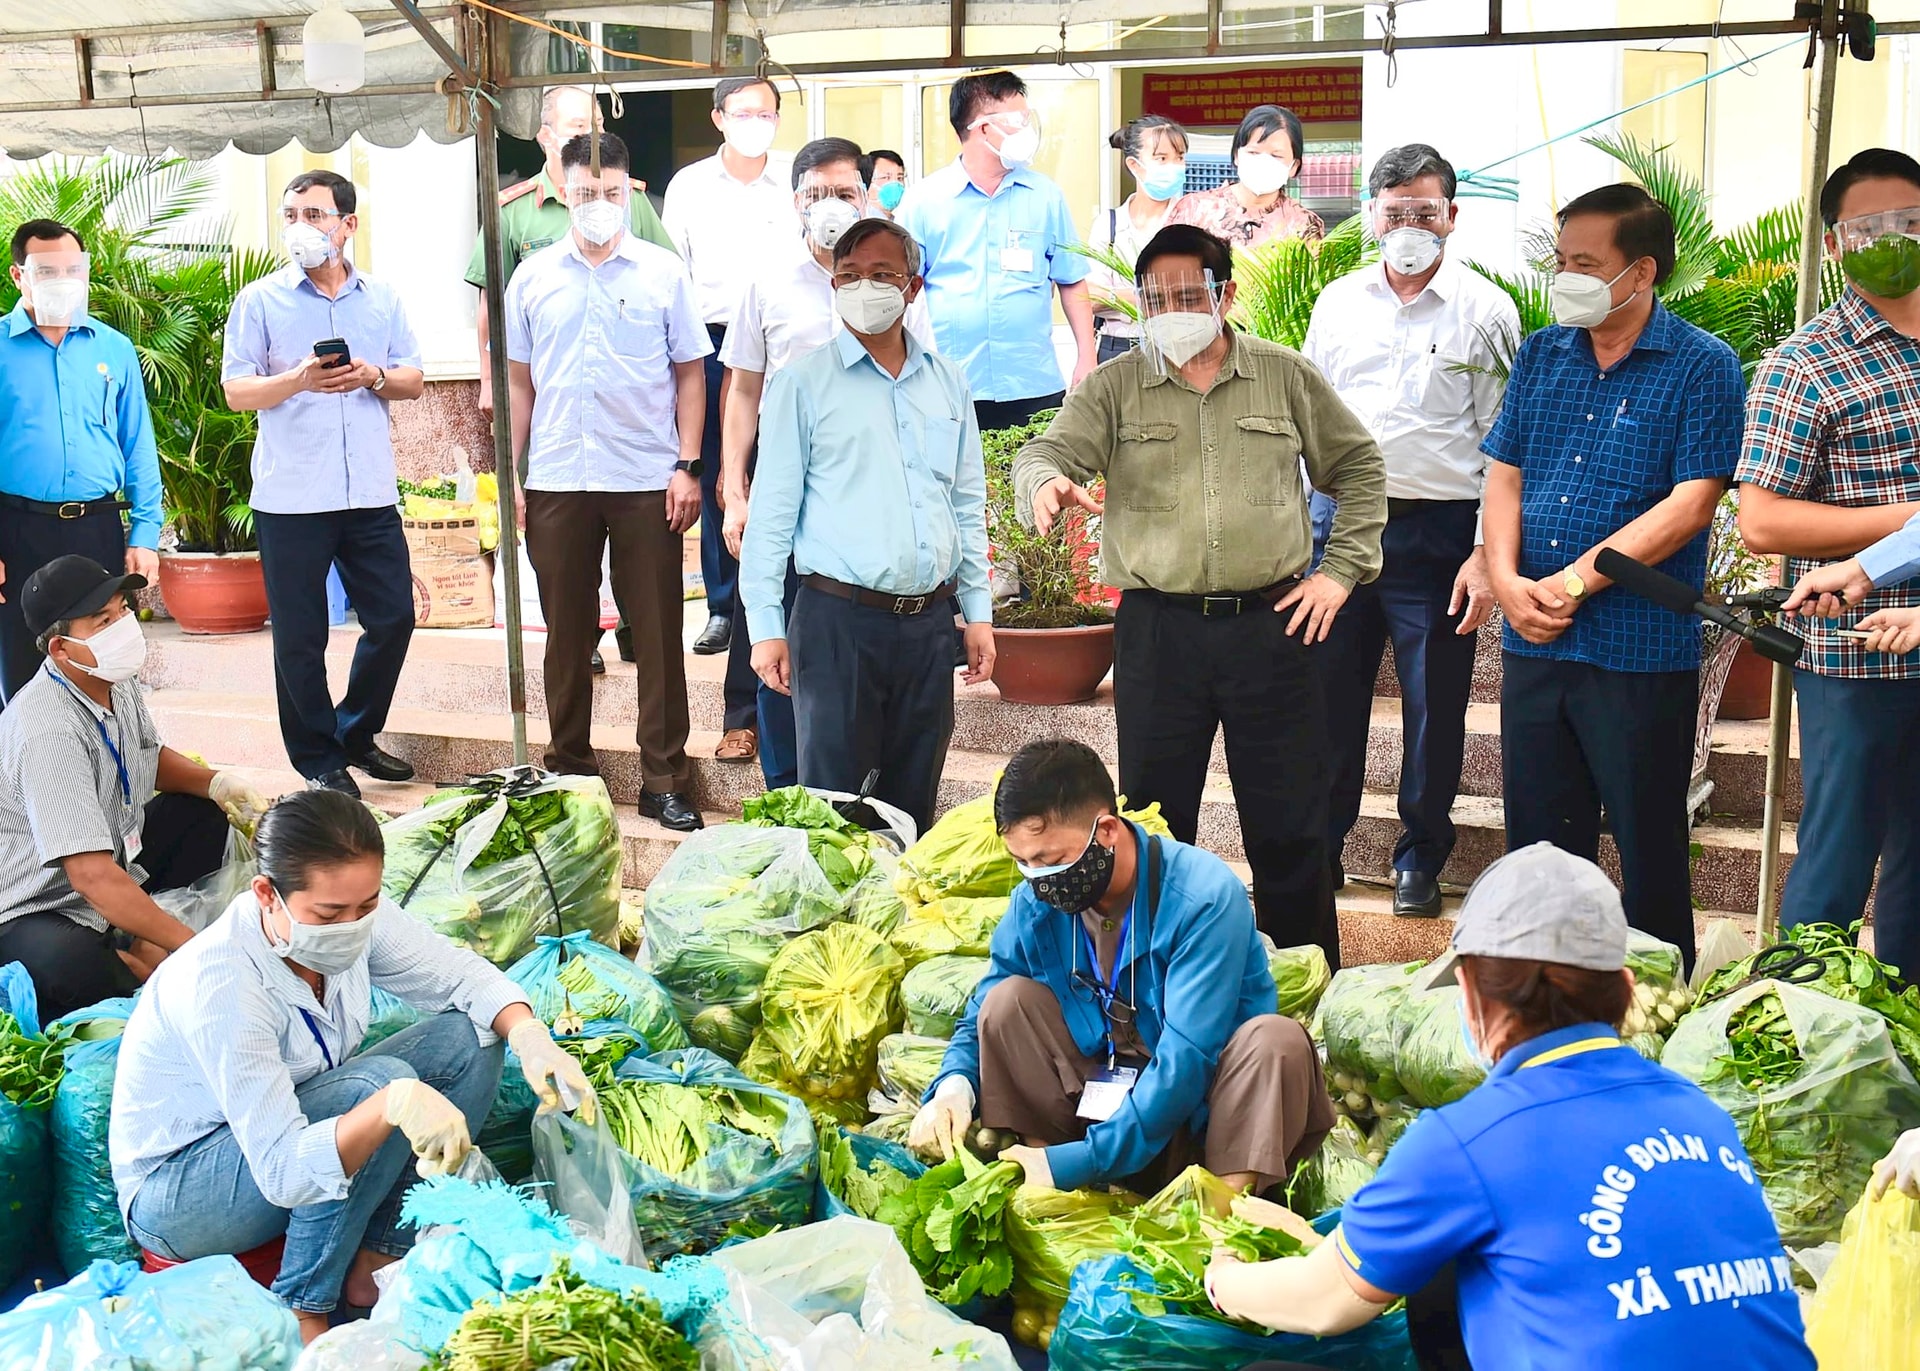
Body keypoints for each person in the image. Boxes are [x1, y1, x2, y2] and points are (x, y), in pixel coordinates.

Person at [1207, 844, 1816, 1371]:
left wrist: (1226, 1280)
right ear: (1627, 993)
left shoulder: (1470, 1139)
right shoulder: (1699, 1111)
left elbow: (1324, 1301)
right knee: (1442, 1279)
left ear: (1468, 998)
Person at [1014, 224, 1386, 964]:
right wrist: (1045, 484)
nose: (1174, 308)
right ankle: (1153, 984)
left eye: (1190, 293)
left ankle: (1300, 995)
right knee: (1154, 825)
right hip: (1160, 632)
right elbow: (1045, 452)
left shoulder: (1285, 376)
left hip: (1274, 628)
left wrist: (1339, 573)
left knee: (1290, 829)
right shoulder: (1115, 386)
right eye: (1157, 298)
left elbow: (1361, 468)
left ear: (1226, 294)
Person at [110, 789, 596, 1344]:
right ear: (268, 895)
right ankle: (303, 1306)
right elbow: (283, 1172)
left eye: (366, 906)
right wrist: (389, 1104)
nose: (352, 924)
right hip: (184, 1191)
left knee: (473, 1035)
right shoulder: (222, 983)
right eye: (330, 913)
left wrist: (530, 1035)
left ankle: (375, 1263)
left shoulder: (355, 916)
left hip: (286, 1130)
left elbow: (461, 976)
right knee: (379, 1086)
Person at [1483, 184, 1743, 964]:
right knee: (1539, 846)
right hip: (1534, 641)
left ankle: (1656, 1012)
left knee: (1647, 844)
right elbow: (1504, 474)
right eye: (1560, 261)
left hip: (1637, 648)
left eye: (1586, 264)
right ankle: (1548, 997)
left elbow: (1692, 503)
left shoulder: (1703, 364)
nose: (1566, 277)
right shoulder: (1542, 353)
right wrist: (1503, 577)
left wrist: (1569, 585)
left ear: (1643, 272)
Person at [909, 739, 1332, 1195]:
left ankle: (1221, 1214)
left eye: (1050, 861)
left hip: (1202, 1115)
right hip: (1096, 1102)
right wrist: (954, 1087)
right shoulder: (1034, 901)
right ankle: (1045, 1182)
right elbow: (980, 1011)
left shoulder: (1204, 897)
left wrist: (1085, 1161)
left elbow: (1185, 1062)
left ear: (1107, 830)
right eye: (1023, 863)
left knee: (1275, 1041)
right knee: (1006, 1002)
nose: (1038, 880)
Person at [1302, 144, 1519, 917]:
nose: (1409, 227)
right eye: (1394, 213)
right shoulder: (1337, 302)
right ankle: (1317, 849)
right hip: (1340, 530)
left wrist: (1486, 554)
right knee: (1327, 702)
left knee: (1436, 705)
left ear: (1452, 218)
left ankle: (1420, 857)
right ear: (1370, 216)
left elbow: (1502, 444)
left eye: (1424, 213)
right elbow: (1310, 418)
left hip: (1438, 535)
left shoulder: (1487, 311)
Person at [742, 217, 993, 834]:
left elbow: (965, 503)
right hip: (837, 626)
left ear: (912, 287)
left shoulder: (947, 382)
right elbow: (771, 515)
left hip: (929, 627)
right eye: (849, 275)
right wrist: (765, 629)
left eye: (882, 275)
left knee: (913, 806)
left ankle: (898, 925)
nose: (864, 288)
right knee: (834, 812)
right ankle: (835, 928)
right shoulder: (802, 383)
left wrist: (978, 613)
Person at [1737, 148, 1920, 984]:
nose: (1894, 240)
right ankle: (1791, 1028)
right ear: (1836, 244)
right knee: (1840, 854)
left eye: (1911, 224)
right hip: (1855, 657)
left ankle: (1903, 1034)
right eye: (1870, 227)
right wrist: (1906, 525)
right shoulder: (1805, 362)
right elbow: (1763, 519)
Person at [506, 133, 707, 834]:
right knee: (566, 633)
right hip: (559, 475)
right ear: (562, 190)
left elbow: (690, 372)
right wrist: (514, 473)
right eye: (586, 193)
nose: (598, 204)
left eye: (611, 193)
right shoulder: (530, 278)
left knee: (656, 632)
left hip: (646, 477)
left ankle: (663, 777)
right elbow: (519, 383)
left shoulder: (661, 273)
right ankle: (569, 765)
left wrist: (687, 464)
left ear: (632, 191)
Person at [718, 137, 933, 788]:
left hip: (871, 508)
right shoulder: (766, 282)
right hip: (788, 494)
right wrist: (735, 488)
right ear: (794, 204)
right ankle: (789, 793)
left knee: (848, 655)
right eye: (817, 194)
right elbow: (743, 392)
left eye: (844, 192)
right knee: (778, 647)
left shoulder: (895, 276)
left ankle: (861, 791)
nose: (831, 205)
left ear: (866, 196)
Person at [222, 170, 425, 799]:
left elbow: (413, 378)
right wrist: (297, 381)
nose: (301, 228)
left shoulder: (382, 298)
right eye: (291, 215)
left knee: (393, 618)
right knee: (302, 638)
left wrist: (372, 375)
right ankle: (317, 758)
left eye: (314, 215)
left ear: (347, 225)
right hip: (292, 497)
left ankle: (356, 733)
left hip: (368, 493)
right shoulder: (260, 301)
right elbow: (236, 390)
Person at [465, 84, 678, 676]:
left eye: (592, 121)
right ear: (545, 139)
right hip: (558, 428)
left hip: (634, 436)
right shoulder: (513, 212)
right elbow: (493, 310)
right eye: (569, 126)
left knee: (643, 570)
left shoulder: (632, 204)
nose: (582, 134)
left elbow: (665, 292)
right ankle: (580, 638)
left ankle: (634, 629)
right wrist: (487, 382)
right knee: (567, 567)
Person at [0, 555, 270, 1021]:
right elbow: (88, 875)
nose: (122, 626)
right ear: (60, 649)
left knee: (201, 813)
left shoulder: (110, 678)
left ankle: (138, 941)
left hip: (115, 859)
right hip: (41, 902)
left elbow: (148, 755)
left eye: (122, 609)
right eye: (102, 620)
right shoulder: (47, 728)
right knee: (74, 968)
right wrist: (192, 945)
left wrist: (219, 784)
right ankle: (126, 957)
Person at [662, 75, 796, 664]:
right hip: (712, 340)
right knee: (719, 469)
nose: (755, 123)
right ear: (717, 118)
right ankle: (724, 604)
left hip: (786, 339)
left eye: (765, 113)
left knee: (785, 458)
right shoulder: (689, 187)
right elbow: (675, 271)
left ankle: (786, 591)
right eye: (743, 113)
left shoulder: (794, 179)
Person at [0, 218, 160, 706]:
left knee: (106, 659)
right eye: (47, 270)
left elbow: (138, 445)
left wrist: (146, 535)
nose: (63, 280)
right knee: (22, 666)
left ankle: (110, 773)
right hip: (18, 528)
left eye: (74, 269)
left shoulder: (114, 348)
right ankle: (22, 778)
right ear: (18, 276)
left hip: (97, 525)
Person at [898, 68, 1098, 431]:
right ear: (982, 128)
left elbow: (1072, 280)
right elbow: (902, 290)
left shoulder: (1045, 196)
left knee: (1036, 481)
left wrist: (1087, 355)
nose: (1026, 131)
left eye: (1027, 119)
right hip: (948, 382)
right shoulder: (924, 201)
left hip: (1033, 380)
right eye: (1016, 121)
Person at [1088, 116, 1189, 365]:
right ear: (1134, 165)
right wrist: (1155, 295)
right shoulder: (1108, 224)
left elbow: (1193, 296)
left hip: (1177, 350)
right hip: (1116, 349)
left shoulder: (1191, 217)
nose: (1174, 166)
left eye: (1180, 157)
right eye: (1161, 158)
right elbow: (1090, 297)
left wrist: (1116, 297)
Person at [1166, 105, 1322, 248]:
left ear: (1294, 166)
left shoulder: (1304, 224)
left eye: (1276, 155)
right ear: (1236, 155)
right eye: (1253, 152)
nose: (1263, 162)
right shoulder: (1194, 209)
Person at [863, 147, 908, 219]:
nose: (895, 184)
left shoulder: (899, 222)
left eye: (900, 178)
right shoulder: (861, 224)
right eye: (886, 177)